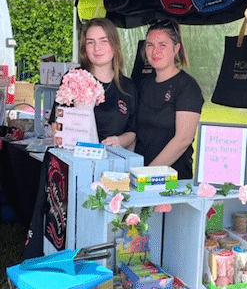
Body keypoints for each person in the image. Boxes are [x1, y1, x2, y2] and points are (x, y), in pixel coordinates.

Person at [50, 18, 137, 149]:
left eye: (104, 41)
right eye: (91, 42)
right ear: (84, 48)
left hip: (111, 162)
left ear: (115, 44)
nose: (97, 48)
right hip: (74, 158)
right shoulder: (73, 79)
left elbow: (132, 131)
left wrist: (119, 141)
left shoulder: (128, 87)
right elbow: (56, 123)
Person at [134, 20, 204, 180]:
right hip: (139, 174)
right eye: (150, 45)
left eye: (162, 45)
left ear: (176, 48)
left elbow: (183, 139)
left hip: (171, 181)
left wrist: (146, 174)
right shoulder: (143, 84)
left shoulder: (188, 87)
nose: (155, 51)